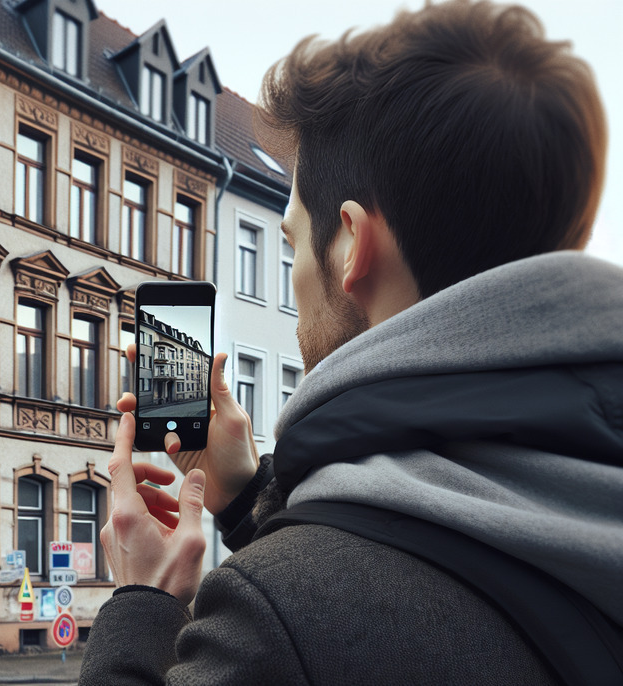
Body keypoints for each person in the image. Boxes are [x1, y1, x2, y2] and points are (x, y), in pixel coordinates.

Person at [80, 1, 621, 684]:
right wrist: (248, 501)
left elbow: (348, 614)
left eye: (292, 241)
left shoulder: (272, 616)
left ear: (351, 246)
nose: (297, 272)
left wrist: (143, 600)